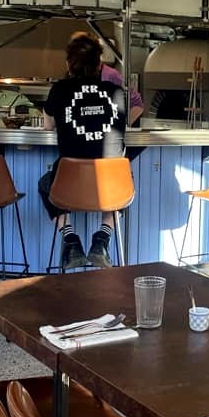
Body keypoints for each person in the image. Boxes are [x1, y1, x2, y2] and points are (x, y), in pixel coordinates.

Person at [39, 32, 143, 270]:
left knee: (46, 183)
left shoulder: (60, 90)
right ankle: (102, 239)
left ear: (68, 64)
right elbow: (124, 123)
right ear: (99, 65)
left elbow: (47, 125)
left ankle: (70, 240)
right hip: (111, 184)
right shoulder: (116, 92)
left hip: (70, 184)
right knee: (125, 181)